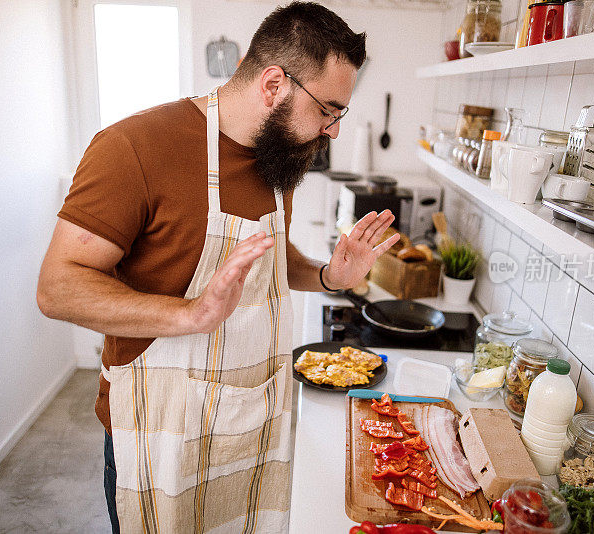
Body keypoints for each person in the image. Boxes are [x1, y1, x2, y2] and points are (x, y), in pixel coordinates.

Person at [36, 2, 400, 532]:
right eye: (329, 109)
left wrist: (328, 276)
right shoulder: (133, 147)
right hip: (156, 427)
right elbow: (57, 288)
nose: (333, 130)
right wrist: (192, 315)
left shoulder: (278, 160)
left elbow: (268, 257)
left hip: (252, 422)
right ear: (274, 84)